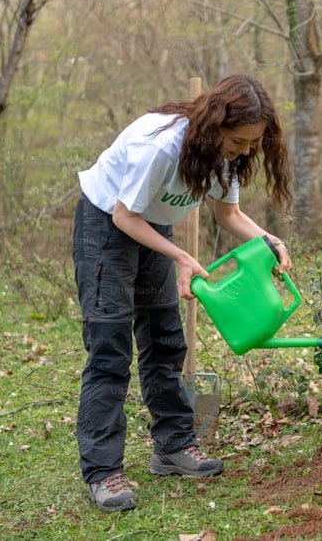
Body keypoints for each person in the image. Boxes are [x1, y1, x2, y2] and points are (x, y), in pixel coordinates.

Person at [71, 74, 292, 512]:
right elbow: (123, 215)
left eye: (254, 143)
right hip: (107, 223)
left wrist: (270, 240)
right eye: (241, 140)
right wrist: (181, 257)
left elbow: (229, 215)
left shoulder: (229, 156)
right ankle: (103, 472)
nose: (247, 151)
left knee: (165, 338)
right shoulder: (162, 146)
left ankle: (172, 447)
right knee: (110, 349)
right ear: (217, 126)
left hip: (149, 225)